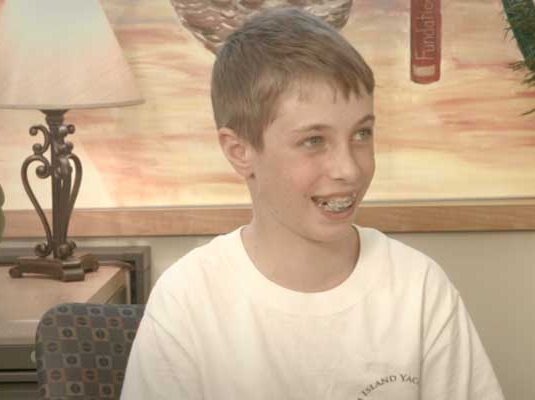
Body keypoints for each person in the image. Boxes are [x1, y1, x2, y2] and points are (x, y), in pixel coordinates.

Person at [121, 7, 505, 399]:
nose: (349, 170)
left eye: (362, 134)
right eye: (314, 140)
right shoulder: (188, 300)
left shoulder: (418, 288)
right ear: (240, 151)